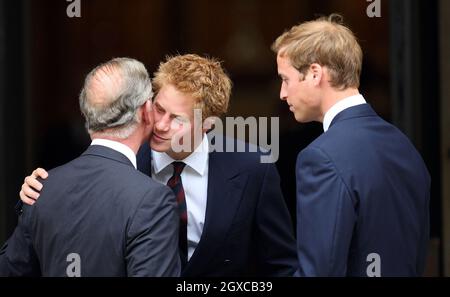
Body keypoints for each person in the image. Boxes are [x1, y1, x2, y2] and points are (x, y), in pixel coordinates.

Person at [19, 54, 298, 276]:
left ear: (208, 125)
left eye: (177, 119)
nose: (161, 125)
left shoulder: (252, 167)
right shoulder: (123, 158)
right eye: (159, 109)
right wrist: (38, 192)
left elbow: (281, 265)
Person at [272, 14, 431, 276]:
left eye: (285, 79)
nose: (282, 93)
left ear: (314, 73)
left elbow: (319, 272)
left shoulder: (320, 157)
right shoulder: (405, 146)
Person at [1, 58, 180, 276]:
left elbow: (10, 269)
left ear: (87, 113)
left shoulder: (41, 189)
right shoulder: (153, 200)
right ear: (144, 111)